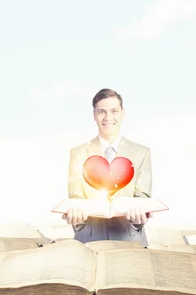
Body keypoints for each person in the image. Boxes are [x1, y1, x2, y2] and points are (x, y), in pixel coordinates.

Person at [64, 88, 153, 246]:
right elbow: (76, 198)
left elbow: (143, 197)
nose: (108, 117)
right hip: (89, 241)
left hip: (130, 240)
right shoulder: (78, 154)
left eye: (114, 111)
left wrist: (138, 218)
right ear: (94, 115)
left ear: (122, 113)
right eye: (101, 112)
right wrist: (76, 218)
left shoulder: (142, 153)